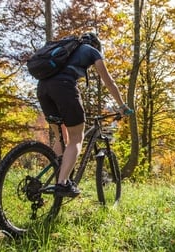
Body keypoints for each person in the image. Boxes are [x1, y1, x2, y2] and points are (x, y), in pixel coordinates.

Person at [36, 32, 132, 197]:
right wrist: (122, 105)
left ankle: (57, 175)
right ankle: (62, 184)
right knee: (76, 138)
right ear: (96, 45)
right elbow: (108, 81)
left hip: (43, 88)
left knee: (61, 136)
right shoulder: (91, 50)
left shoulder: (66, 50)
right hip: (64, 87)